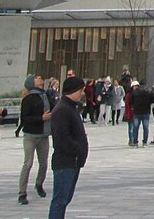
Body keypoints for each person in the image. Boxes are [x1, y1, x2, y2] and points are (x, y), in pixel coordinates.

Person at [49, 75, 89, 219]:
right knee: (60, 200)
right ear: (74, 90)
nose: (82, 94)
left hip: (72, 162)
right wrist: (78, 150)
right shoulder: (62, 110)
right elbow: (62, 139)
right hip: (65, 162)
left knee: (64, 200)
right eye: (81, 90)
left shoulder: (70, 108)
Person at [18, 74, 52, 205]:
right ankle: (22, 192)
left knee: (43, 163)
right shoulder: (29, 98)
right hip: (31, 135)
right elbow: (25, 118)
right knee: (28, 163)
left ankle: (39, 183)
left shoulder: (45, 95)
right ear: (32, 82)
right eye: (38, 78)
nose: (41, 79)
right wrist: (40, 118)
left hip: (44, 134)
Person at [128, 81, 154, 147]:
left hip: (137, 112)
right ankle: (145, 142)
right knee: (146, 128)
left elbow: (131, 101)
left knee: (135, 128)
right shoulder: (148, 91)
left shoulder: (135, 92)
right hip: (146, 111)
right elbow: (153, 100)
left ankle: (135, 142)